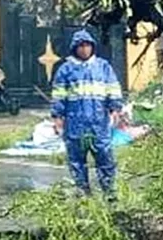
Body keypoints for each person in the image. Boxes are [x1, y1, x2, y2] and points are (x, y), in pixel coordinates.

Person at [50, 30, 124, 199]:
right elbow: (59, 96)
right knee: (76, 159)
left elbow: (113, 89)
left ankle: (109, 191)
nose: (84, 49)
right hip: (75, 123)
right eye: (81, 46)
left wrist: (115, 109)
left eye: (87, 45)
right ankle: (82, 191)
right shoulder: (66, 69)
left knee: (105, 157)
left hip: (99, 122)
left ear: (92, 47)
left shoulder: (103, 67)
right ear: (75, 48)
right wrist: (57, 118)